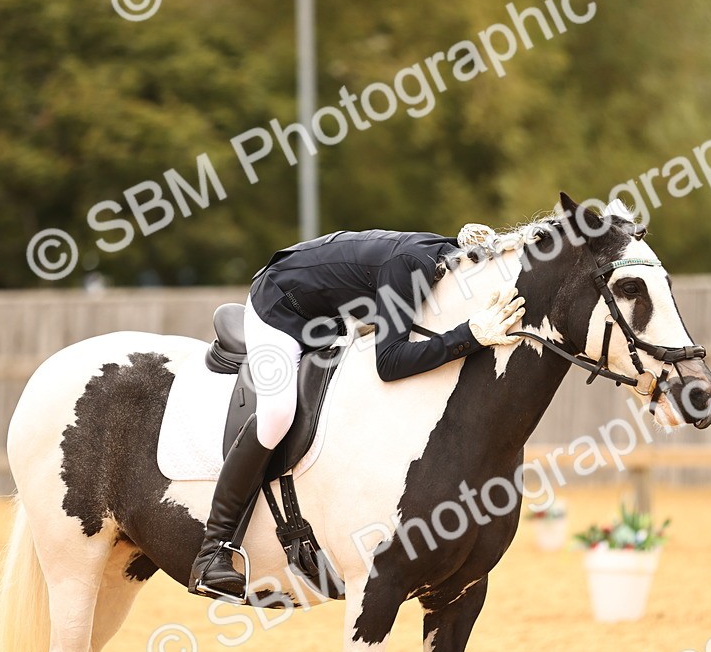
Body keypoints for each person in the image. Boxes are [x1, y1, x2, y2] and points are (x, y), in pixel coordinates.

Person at [189, 227, 526, 598]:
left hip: (329, 318)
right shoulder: (410, 268)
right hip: (279, 308)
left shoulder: (442, 259)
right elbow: (390, 362)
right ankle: (214, 551)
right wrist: (470, 336)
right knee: (277, 414)